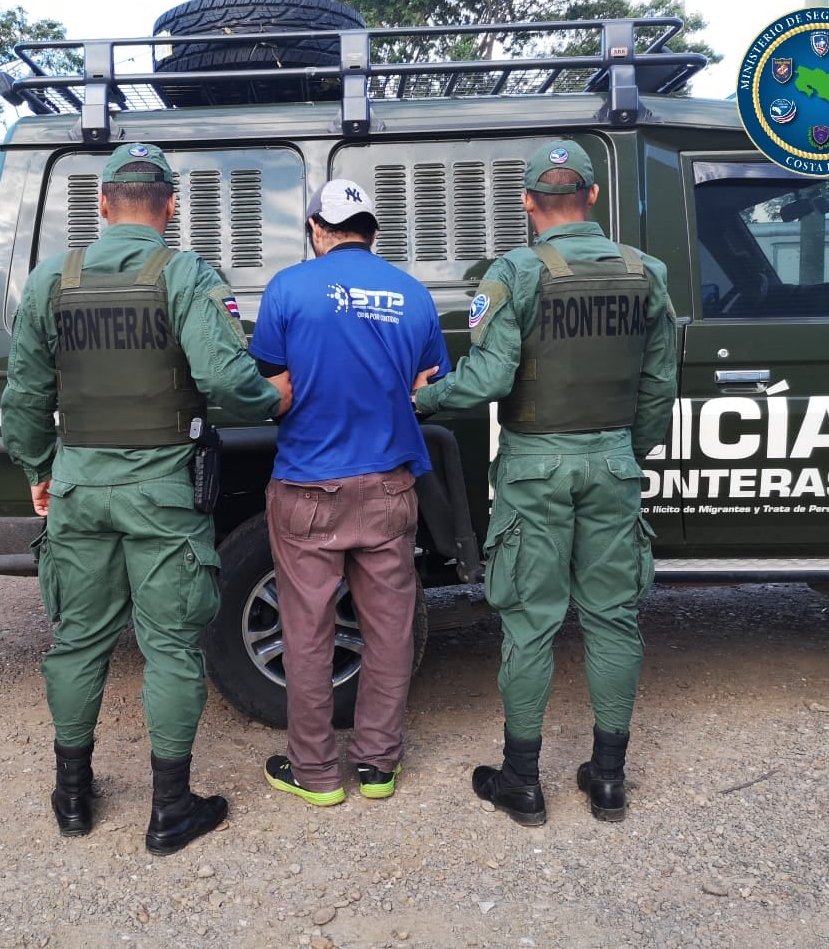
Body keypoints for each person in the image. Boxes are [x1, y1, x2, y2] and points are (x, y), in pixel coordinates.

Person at [1, 142, 292, 855]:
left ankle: (72, 797)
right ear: (170, 206)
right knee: (169, 648)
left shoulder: (50, 281)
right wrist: (271, 397)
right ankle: (169, 811)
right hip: (160, 493)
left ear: (103, 205)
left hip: (78, 487)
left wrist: (41, 467)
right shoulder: (185, 274)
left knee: (77, 643)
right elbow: (227, 382)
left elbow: (24, 401)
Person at [411, 140, 678, 825]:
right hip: (612, 463)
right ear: (592, 197)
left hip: (535, 466)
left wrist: (424, 400)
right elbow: (657, 387)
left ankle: (523, 781)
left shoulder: (516, 272)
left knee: (530, 624)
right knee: (613, 618)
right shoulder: (646, 272)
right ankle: (609, 779)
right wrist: (624, 451)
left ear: (528, 203)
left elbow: (491, 378)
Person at [250, 178, 452, 806]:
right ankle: (377, 765)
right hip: (388, 485)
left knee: (305, 629)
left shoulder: (288, 289)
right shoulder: (413, 295)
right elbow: (427, 384)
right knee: (390, 628)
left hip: (307, 485)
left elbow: (271, 384)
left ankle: (314, 773)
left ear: (317, 230)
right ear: (371, 230)